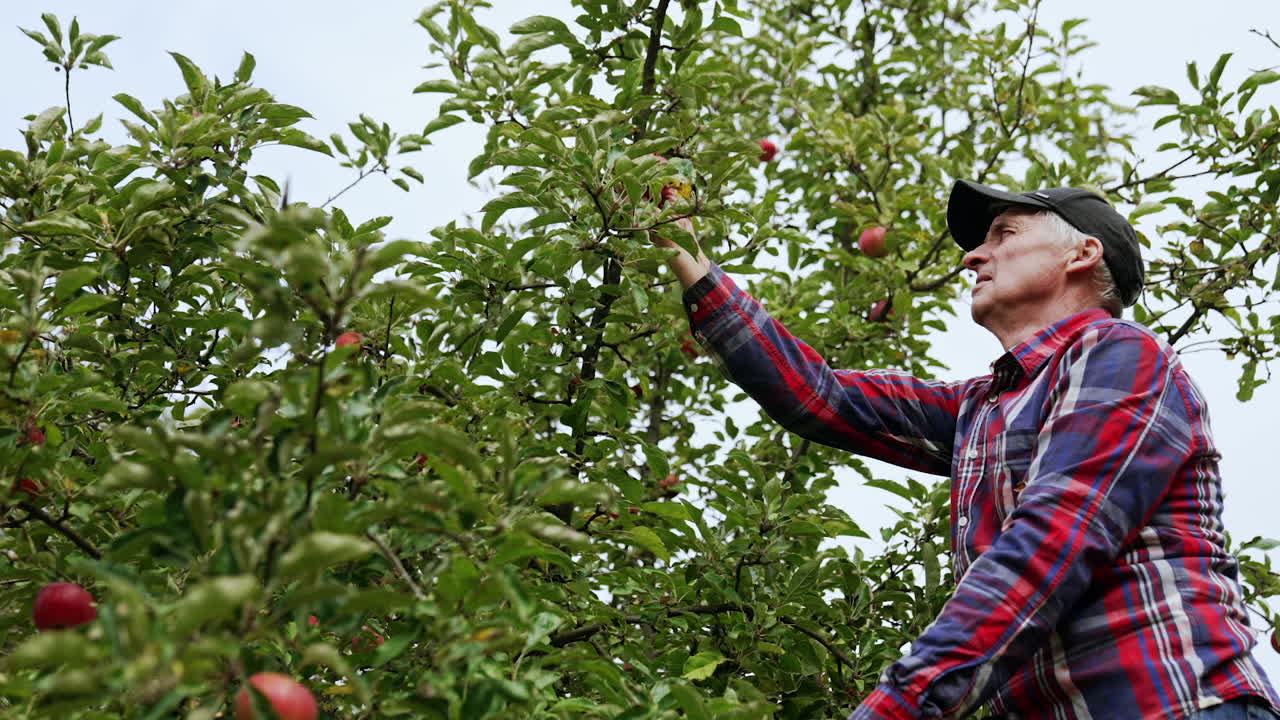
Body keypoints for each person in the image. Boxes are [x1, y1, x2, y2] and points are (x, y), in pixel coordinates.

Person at [658, 179, 1280, 719]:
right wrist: (685, 248)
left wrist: (902, 701)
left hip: (1173, 704)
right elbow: (819, 396)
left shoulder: (1121, 355)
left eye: (1003, 233)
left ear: (1082, 254)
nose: (973, 256)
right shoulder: (981, 406)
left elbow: (1050, 544)